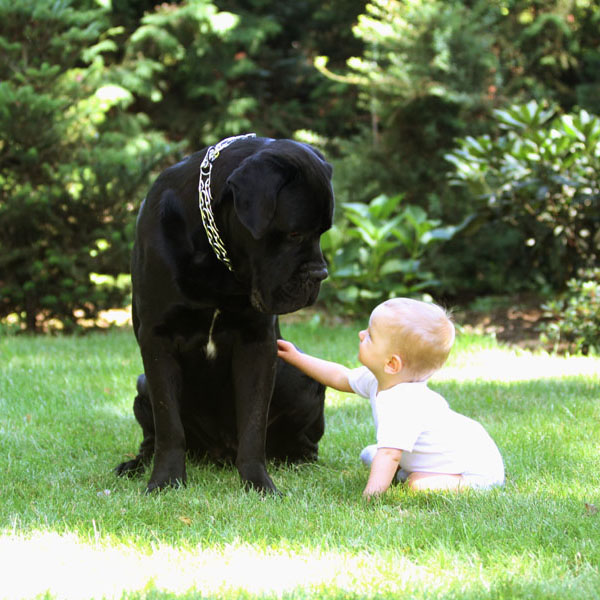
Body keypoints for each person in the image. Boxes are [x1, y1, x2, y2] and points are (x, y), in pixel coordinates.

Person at [277, 298, 504, 499]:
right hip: (455, 457)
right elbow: (340, 376)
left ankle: (422, 476)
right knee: (371, 454)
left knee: (415, 484)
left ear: (391, 364)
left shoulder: (404, 404)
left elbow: (389, 454)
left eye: (370, 336)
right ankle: (412, 471)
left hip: (477, 472)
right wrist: (298, 358)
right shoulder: (379, 379)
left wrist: (371, 496)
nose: (361, 335)